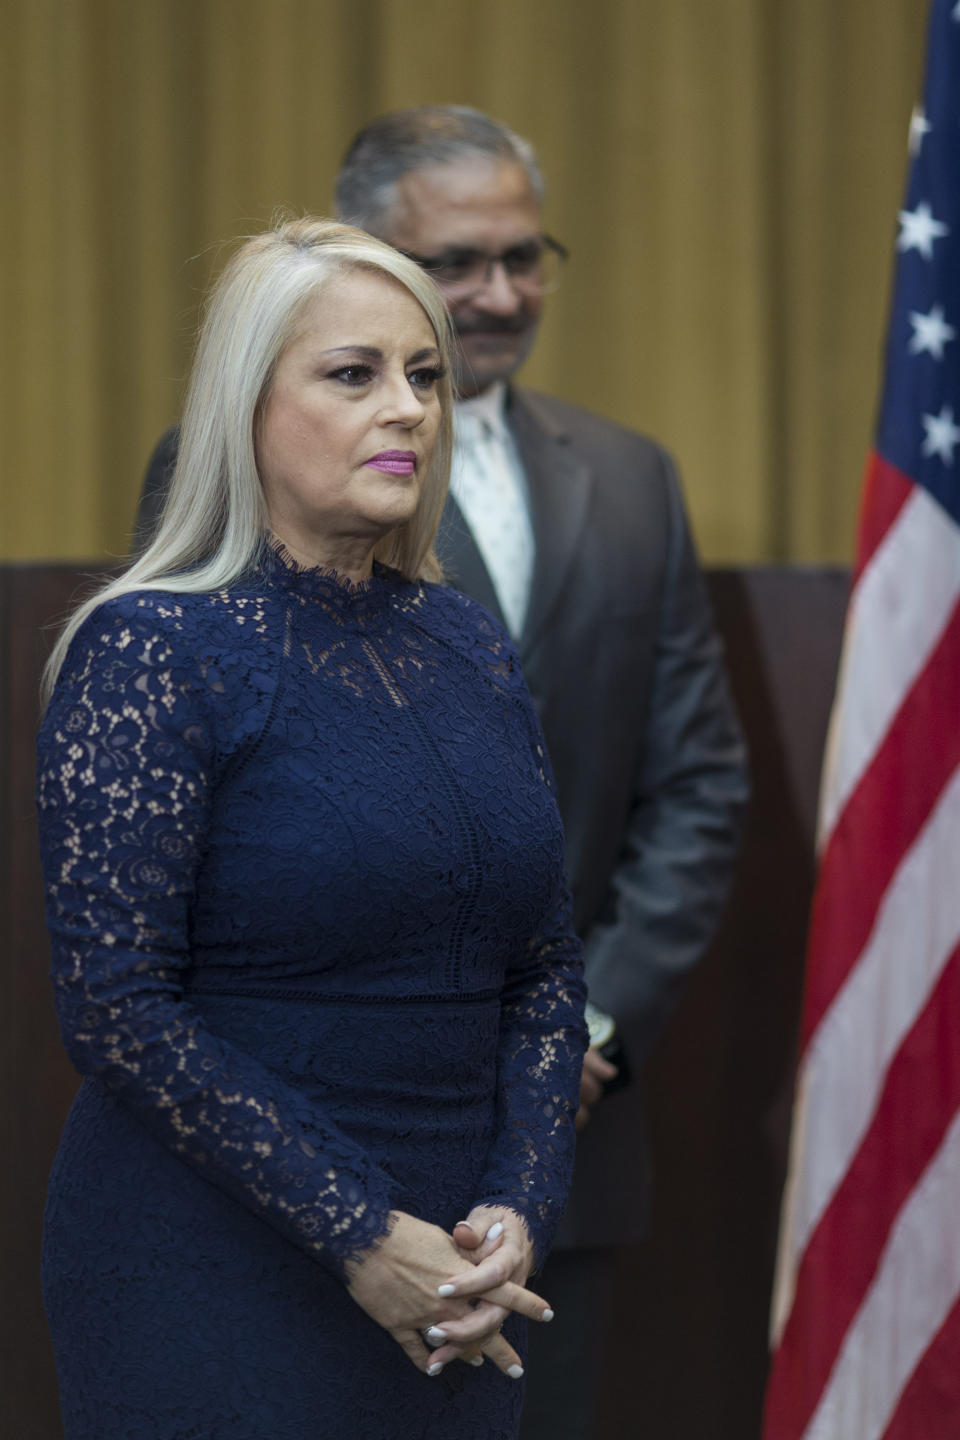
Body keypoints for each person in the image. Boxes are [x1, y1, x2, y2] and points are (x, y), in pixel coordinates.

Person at [137, 106, 750, 1439]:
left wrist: (572, 1039)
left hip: (551, 1165)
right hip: (297, 1157)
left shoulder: (636, 481)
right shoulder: (218, 487)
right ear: (370, 255)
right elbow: (159, 926)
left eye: (525, 256)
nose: (500, 292)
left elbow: (700, 783)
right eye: (459, 259)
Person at [37, 217, 588, 1440]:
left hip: (456, 1279)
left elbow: (546, 969)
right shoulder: (152, 651)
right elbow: (117, 1004)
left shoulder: (466, 643)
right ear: (246, 406)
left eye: (424, 375)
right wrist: (353, 1229)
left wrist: (520, 1202)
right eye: (356, 374)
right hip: (212, 1265)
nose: (409, 409)